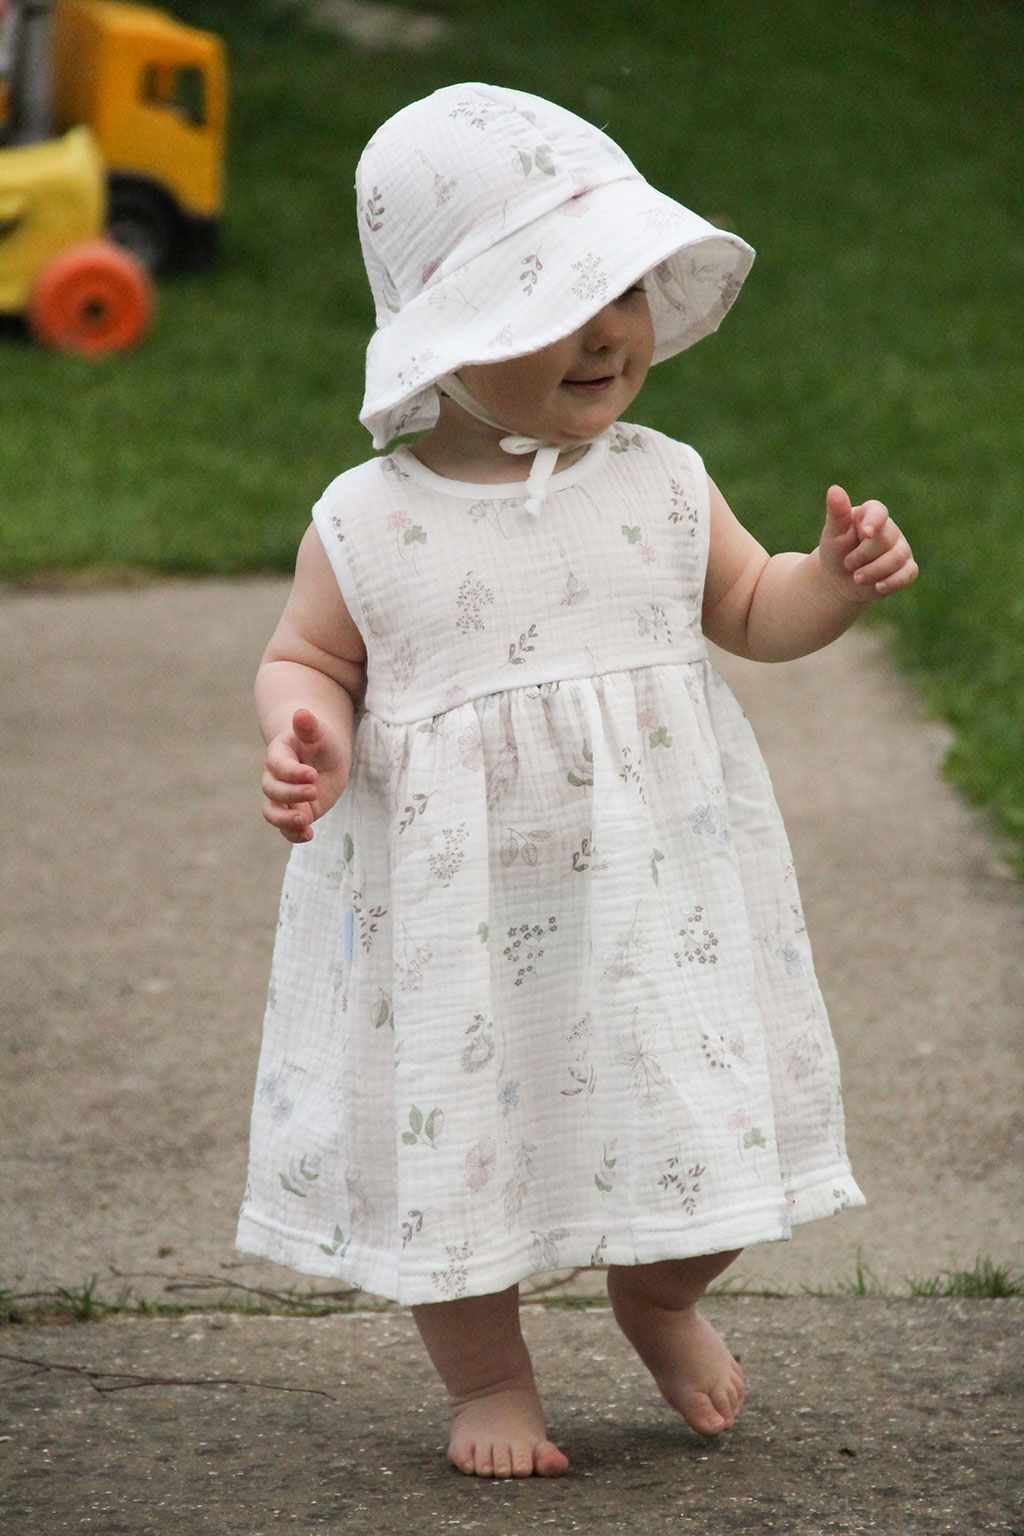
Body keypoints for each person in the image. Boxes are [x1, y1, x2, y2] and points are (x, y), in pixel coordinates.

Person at [235, 82, 918, 1481]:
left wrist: (834, 584)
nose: (608, 331)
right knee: (459, 1152)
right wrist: (309, 729)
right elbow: (306, 655)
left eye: (621, 290)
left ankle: (659, 1296)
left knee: (705, 1120)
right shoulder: (368, 521)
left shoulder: (663, 483)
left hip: (654, 912)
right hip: (460, 929)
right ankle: (490, 1378)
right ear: (448, 334)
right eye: (553, 302)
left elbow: (754, 610)